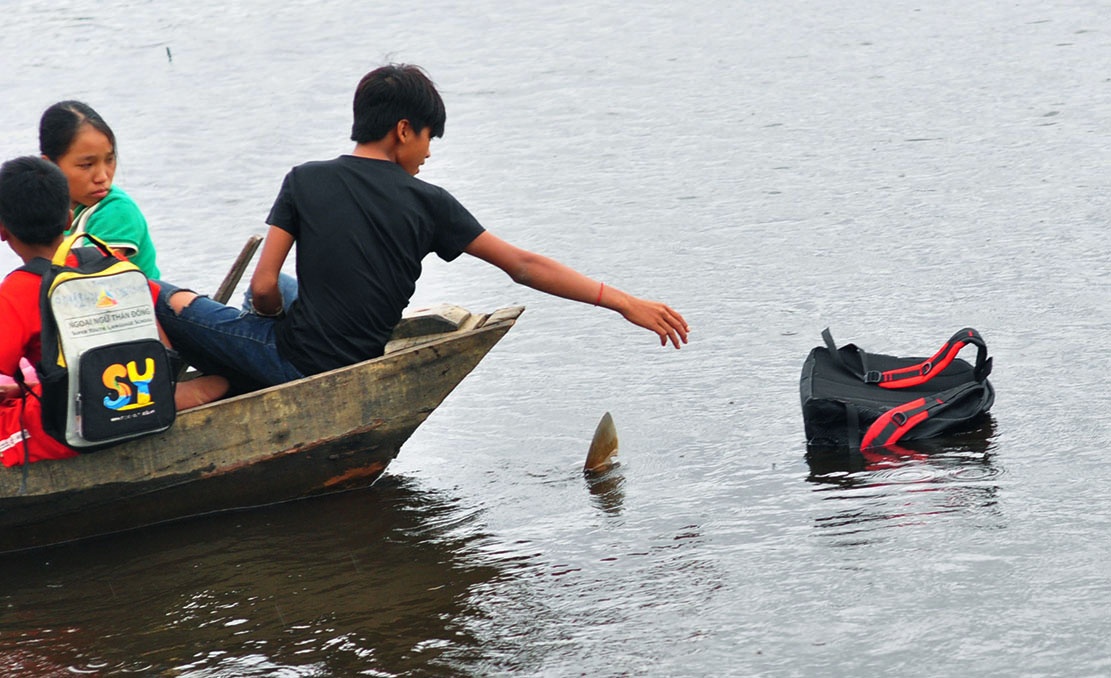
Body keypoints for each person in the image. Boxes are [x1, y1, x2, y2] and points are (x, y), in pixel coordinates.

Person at [154, 64, 689, 392]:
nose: (429, 154)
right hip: (353, 355)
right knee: (275, 295)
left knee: (165, 297)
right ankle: (243, 366)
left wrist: (264, 316)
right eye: (429, 139)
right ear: (403, 130)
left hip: (300, 360)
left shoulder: (303, 180)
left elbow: (266, 286)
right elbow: (524, 266)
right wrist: (622, 301)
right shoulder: (431, 203)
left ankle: (215, 380)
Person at [0, 156, 227, 467]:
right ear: (69, 218)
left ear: (2, 230)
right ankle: (169, 394)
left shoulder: (18, 290)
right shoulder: (113, 262)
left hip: (75, 425)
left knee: (11, 416)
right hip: (141, 395)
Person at [39, 100, 160, 278]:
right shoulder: (44, 210)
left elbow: (94, 277)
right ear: (49, 166)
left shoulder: (116, 211)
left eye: (110, 160)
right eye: (87, 165)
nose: (102, 177)